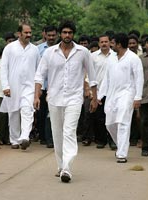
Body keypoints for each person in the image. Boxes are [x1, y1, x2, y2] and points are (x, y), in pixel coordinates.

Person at [34, 20, 98, 183]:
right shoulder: (50, 53)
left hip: (74, 98)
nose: (67, 35)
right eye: (64, 32)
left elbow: (92, 76)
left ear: (73, 34)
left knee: (69, 131)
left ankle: (67, 168)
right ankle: (61, 165)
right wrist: (36, 96)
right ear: (60, 34)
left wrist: (94, 98)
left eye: (70, 32)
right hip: (54, 98)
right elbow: (39, 75)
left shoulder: (83, 52)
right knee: (57, 134)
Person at [98, 33, 144, 163]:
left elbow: (139, 78)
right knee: (110, 124)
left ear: (119, 44)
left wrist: (137, 97)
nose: (111, 45)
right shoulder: (111, 58)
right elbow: (106, 78)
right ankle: (121, 145)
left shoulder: (133, 58)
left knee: (123, 122)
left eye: (113, 43)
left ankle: (122, 154)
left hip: (127, 94)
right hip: (112, 94)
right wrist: (100, 95)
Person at [0, 24, 40, 150]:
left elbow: (39, 70)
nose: (29, 35)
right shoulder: (10, 48)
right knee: (14, 112)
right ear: (19, 34)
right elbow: (4, 68)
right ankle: (14, 140)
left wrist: (39, 89)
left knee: (27, 110)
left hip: (29, 86)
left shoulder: (35, 49)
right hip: (13, 86)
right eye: (26, 32)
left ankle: (25, 137)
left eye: (30, 32)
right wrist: (5, 86)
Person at [91, 34, 117, 150]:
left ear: (110, 43)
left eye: (106, 41)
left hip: (112, 92)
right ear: (98, 44)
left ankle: (113, 141)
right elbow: (89, 74)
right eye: (102, 42)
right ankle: (101, 140)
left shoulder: (116, 56)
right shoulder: (93, 56)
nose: (104, 44)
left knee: (112, 117)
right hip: (98, 91)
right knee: (99, 117)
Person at [36, 25, 58, 148]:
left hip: (55, 87)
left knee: (52, 113)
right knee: (41, 113)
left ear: (57, 35)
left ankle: (51, 138)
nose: (51, 37)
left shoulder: (60, 49)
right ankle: (43, 137)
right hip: (42, 87)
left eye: (53, 35)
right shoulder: (38, 50)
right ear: (44, 34)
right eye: (49, 35)